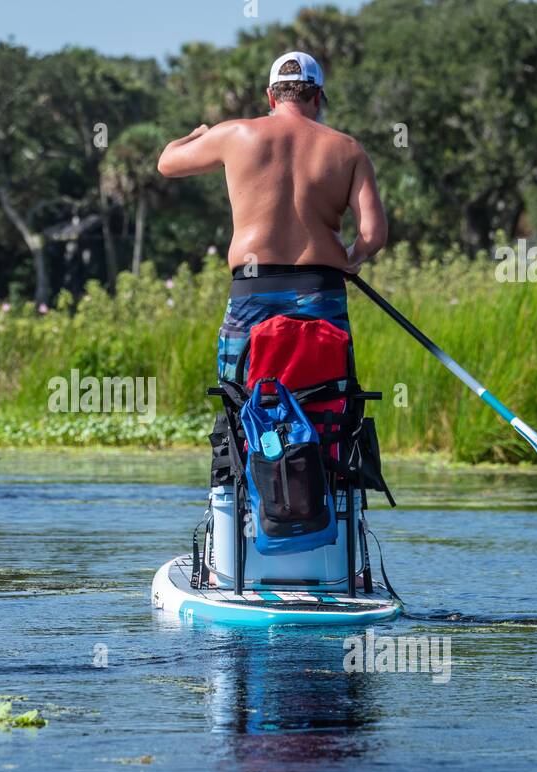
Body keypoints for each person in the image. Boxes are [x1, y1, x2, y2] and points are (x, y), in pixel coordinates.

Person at [156, 50, 388, 484]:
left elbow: (167, 162)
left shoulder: (234, 134)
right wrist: (351, 261)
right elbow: (373, 235)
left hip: (251, 291)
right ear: (317, 97)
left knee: (240, 397)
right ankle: (328, 494)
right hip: (321, 292)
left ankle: (238, 496)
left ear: (270, 96)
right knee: (325, 399)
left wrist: (195, 134)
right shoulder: (347, 149)